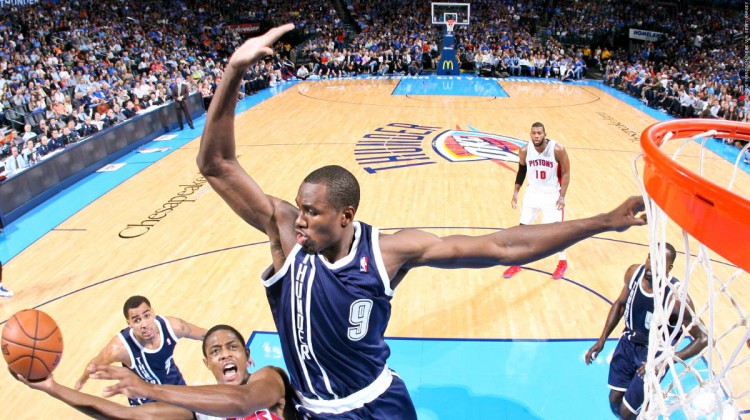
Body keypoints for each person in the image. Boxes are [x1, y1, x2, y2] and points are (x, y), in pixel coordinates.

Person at [113, 24, 646, 419]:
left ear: (346, 216)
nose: (299, 220)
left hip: (380, 404)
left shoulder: (390, 252)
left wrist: (602, 220)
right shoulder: (285, 234)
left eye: (312, 212)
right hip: (315, 409)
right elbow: (216, 164)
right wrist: (232, 71)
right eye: (299, 207)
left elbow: (504, 246)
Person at [17, 325, 293, 419]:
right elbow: (126, 415)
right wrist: (53, 388)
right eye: (215, 351)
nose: (225, 354)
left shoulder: (270, 378)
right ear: (207, 363)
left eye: (233, 347)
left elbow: (242, 402)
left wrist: (150, 389)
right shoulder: (199, 410)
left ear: (247, 356)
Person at [584, 243, 707, 419]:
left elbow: (703, 338)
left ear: (669, 268)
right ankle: (645, 406)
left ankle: (646, 408)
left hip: (654, 354)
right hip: (628, 343)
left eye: (659, 261)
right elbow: (620, 305)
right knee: (615, 400)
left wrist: (665, 360)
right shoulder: (633, 274)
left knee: (627, 412)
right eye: (650, 257)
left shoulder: (676, 298)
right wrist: (602, 340)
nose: (651, 264)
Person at [74, 295, 207, 407]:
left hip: (174, 384)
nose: (144, 324)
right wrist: (81, 381)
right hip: (145, 400)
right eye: (137, 320)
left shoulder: (174, 327)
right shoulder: (119, 348)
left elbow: (206, 335)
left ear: (153, 313)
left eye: (147, 316)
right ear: (129, 324)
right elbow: (94, 365)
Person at [503, 122, 571, 280]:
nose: (536, 136)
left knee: (556, 233)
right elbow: (521, 171)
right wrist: (516, 192)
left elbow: (566, 173)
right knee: (522, 230)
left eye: (539, 133)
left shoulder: (557, 149)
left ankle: (562, 263)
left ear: (545, 134)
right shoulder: (525, 150)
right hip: (532, 193)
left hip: (552, 195)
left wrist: (562, 196)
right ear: (530, 134)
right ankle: (517, 262)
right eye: (534, 133)